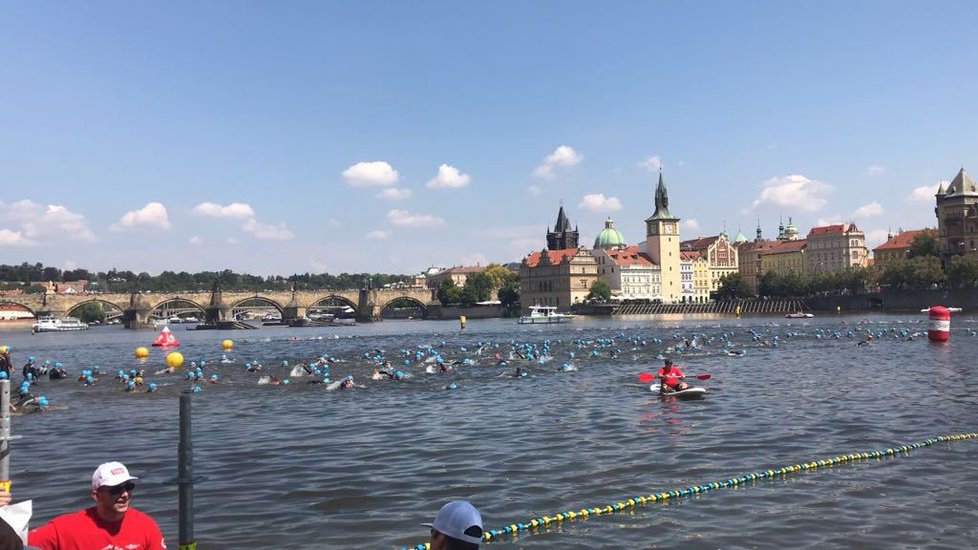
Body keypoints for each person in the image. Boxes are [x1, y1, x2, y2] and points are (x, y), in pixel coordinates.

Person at [28, 461, 166, 550]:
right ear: (96, 495)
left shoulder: (146, 526)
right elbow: (15, 543)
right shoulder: (64, 528)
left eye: (128, 487)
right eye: (116, 490)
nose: (124, 494)